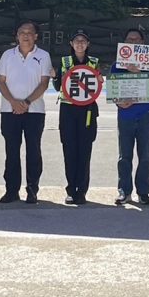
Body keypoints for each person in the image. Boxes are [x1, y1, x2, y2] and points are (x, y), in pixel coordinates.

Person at [0, 20, 52, 204]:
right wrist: (13, 102)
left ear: (36, 36)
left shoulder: (43, 56)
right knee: (11, 151)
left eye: (29, 32)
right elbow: (1, 82)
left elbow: (44, 83)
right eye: (22, 32)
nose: (25, 35)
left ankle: (32, 190)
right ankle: (11, 190)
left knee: (33, 151)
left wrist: (26, 102)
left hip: (34, 111)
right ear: (17, 35)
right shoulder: (7, 55)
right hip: (9, 110)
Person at [112, 27, 149, 206]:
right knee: (124, 156)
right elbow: (113, 90)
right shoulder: (118, 63)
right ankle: (124, 191)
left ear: (142, 42)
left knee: (145, 155)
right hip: (125, 114)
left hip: (145, 114)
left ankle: (143, 192)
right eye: (129, 40)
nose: (133, 42)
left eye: (136, 40)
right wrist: (119, 103)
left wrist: (139, 72)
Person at [53, 28, 100, 205]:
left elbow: (97, 84)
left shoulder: (94, 62)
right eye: (77, 41)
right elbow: (57, 85)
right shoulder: (64, 61)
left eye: (83, 41)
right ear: (71, 44)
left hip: (87, 111)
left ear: (88, 44)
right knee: (69, 149)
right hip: (68, 110)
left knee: (85, 150)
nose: (80, 44)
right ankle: (71, 189)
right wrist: (55, 77)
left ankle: (82, 191)